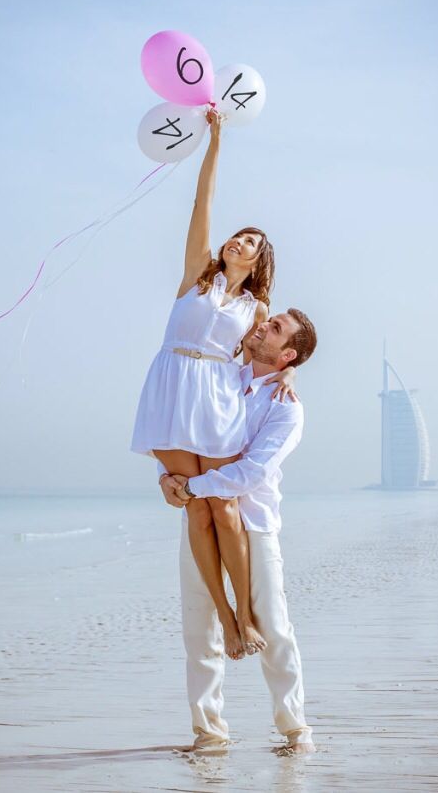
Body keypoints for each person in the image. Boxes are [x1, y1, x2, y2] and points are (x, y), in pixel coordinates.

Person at [131, 108, 295, 661]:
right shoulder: (195, 275)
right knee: (195, 510)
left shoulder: (258, 307)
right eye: (237, 235)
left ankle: (246, 612)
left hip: (218, 398)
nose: (238, 242)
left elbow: (266, 357)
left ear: (259, 259)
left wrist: (290, 370)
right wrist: (214, 141)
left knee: (223, 507)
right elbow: (202, 203)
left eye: (250, 242)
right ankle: (227, 622)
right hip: (173, 387)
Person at [158, 309, 318, 754]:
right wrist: (167, 477)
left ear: (287, 355)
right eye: (270, 319)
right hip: (198, 519)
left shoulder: (286, 407)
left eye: (276, 327)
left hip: (254, 524)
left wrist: (191, 486)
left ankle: (295, 730)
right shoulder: (218, 377)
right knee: (198, 625)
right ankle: (209, 733)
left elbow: (252, 472)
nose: (263, 325)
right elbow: (178, 428)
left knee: (274, 626)